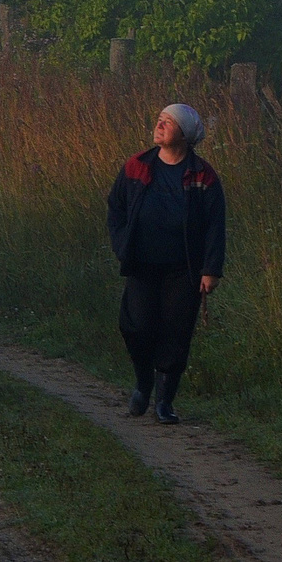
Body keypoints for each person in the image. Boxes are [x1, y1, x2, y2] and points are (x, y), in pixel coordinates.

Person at [107, 103, 226, 424]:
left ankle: (164, 402)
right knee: (136, 326)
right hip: (142, 265)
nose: (159, 125)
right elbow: (115, 208)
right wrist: (122, 245)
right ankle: (143, 383)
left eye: (168, 122)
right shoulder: (136, 167)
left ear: (184, 135)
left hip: (182, 269)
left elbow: (216, 225)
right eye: (159, 120)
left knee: (175, 331)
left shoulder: (203, 176)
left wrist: (211, 269)